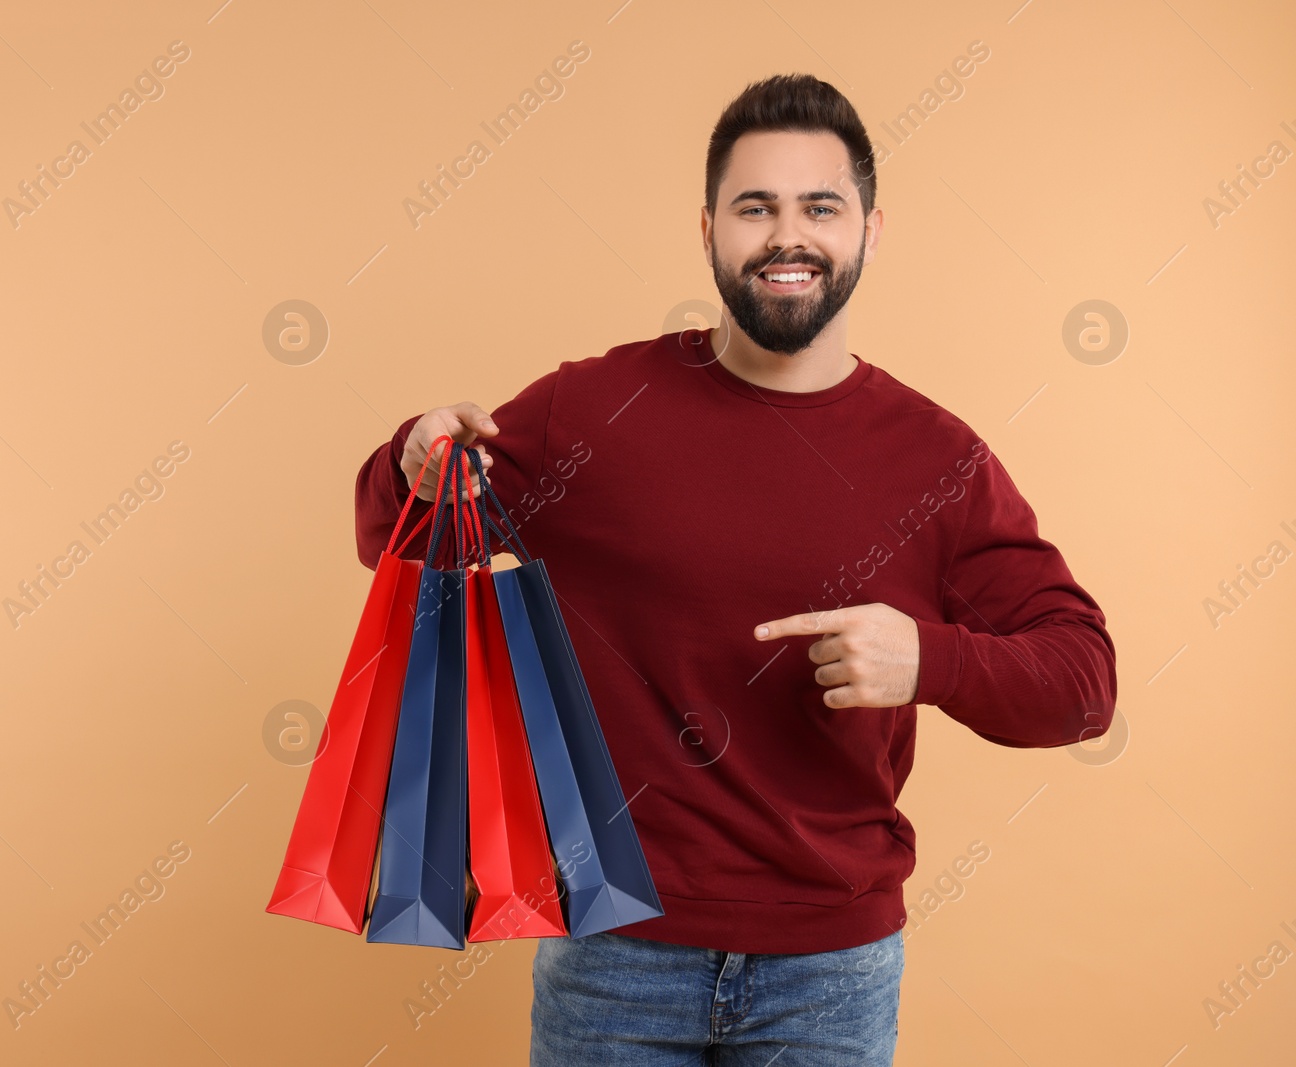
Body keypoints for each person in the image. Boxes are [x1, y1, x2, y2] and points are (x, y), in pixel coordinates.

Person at [352, 73, 1118, 1066]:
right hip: (613, 954)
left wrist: (929, 660)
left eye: (819, 207)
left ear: (870, 230)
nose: (785, 235)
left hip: (828, 971)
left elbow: (1082, 685)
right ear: (708, 227)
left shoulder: (937, 462)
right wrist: (408, 459)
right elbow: (404, 535)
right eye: (755, 207)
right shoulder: (592, 412)